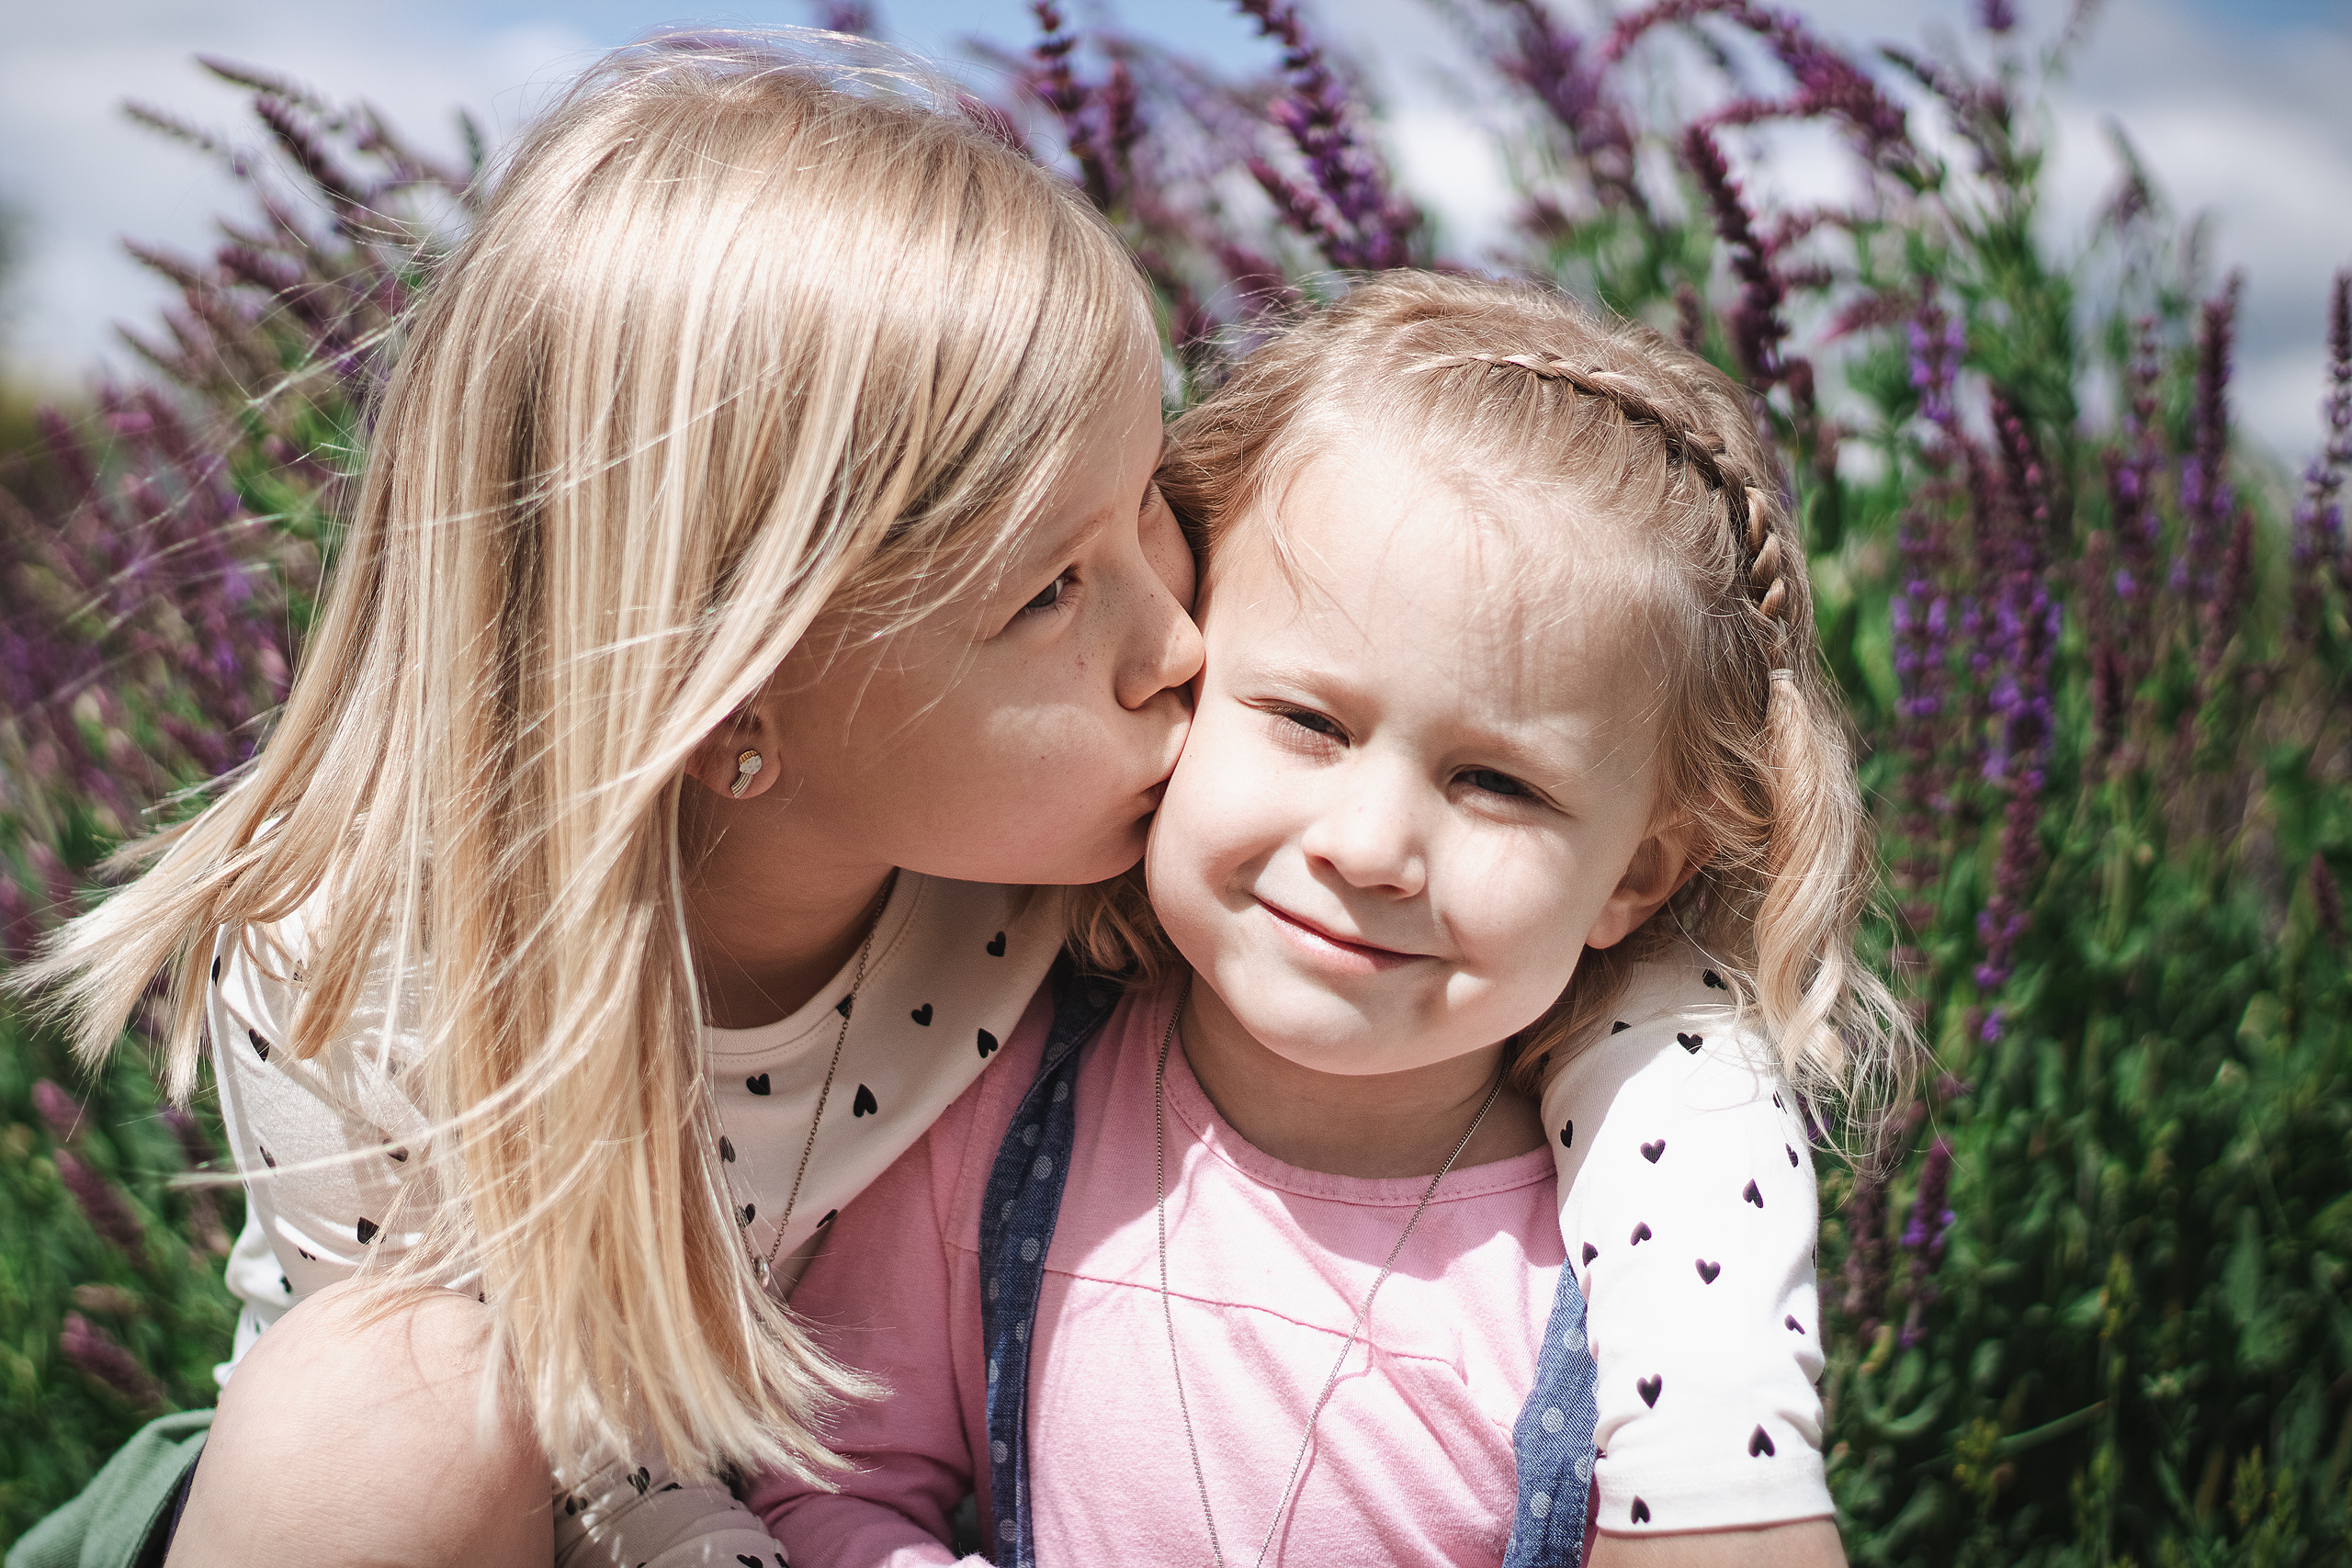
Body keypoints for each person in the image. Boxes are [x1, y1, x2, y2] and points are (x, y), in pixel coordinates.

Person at [16, 35, 1203, 1568]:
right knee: (400, 1397)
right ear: (732, 705)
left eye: (1156, 503)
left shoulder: (1121, 819)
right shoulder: (369, 973)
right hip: (455, 1522)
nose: (1180, 640)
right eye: (1053, 590)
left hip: (853, 1509)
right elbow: (581, 1469)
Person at [747, 272, 1911, 1566]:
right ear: (1182, 669)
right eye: (1308, 722)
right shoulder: (994, 1111)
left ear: (1637, 875)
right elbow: (828, 1486)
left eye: (1496, 784)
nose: (1368, 848)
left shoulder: (1629, 1264)